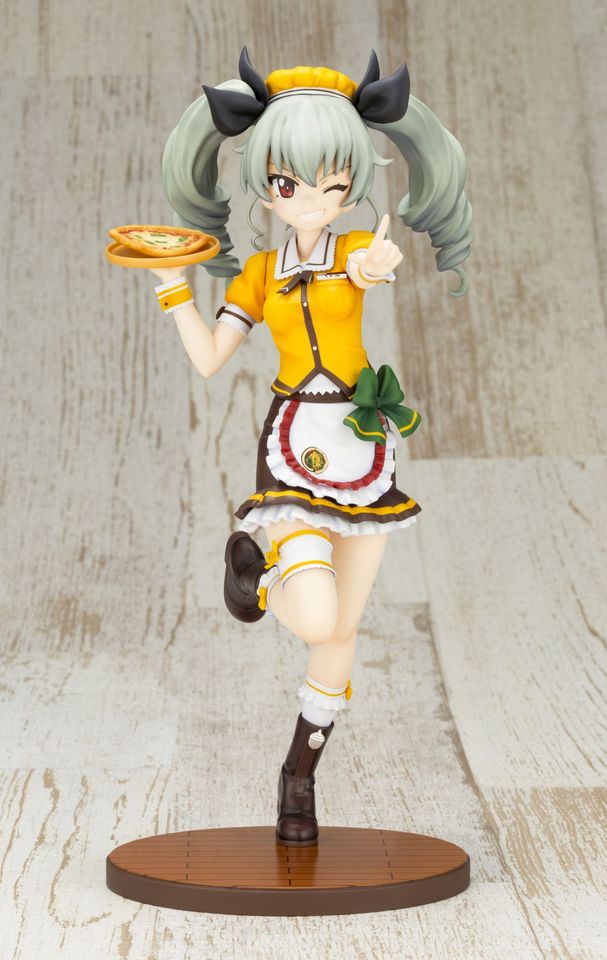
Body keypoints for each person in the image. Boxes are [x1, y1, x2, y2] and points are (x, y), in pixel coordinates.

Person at [149, 48, 473, 846]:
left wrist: (378, 260)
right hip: (295, 449)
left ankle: (299, 778)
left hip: (362, 444)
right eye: (290, 184)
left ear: (352, 183)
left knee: (340, 633)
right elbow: (210, 358)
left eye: (334, 183)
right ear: (267, 186)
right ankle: (258, 585)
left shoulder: (353, 252)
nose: (313, 200)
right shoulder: (259, 274)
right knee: (318, 615)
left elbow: (371, 263)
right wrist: (171, 289)